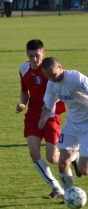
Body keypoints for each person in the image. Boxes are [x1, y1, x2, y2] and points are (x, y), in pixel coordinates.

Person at [15, 39, 76, 199]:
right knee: (34, 152)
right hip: (33, 115)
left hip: (51, 115)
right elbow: (24, 90)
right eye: (31, 56)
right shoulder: (23, 68)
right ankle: (57, 188)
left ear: (44, 54)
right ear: (27, 55)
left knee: (53, 158)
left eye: (37, 56)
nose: (34, 60)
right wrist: (22, 103)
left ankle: (74, 157)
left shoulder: (50, 71)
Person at [38, 57, 88, 195]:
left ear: (60, 67)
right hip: (72, 125)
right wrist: (42, 120)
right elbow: (48, 106)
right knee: (62, 163)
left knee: (84, 170)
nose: (51, 78)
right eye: (47, 76)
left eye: (53, 74)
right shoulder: (51, 84)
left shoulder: (76, 78)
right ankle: (69, 195)